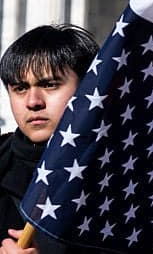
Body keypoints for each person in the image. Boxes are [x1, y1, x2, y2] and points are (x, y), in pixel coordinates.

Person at [0, 24, 98, 254]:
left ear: (88, 89)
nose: (33, 102)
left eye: (49, 85)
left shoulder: (126, 176)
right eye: (20, 88)